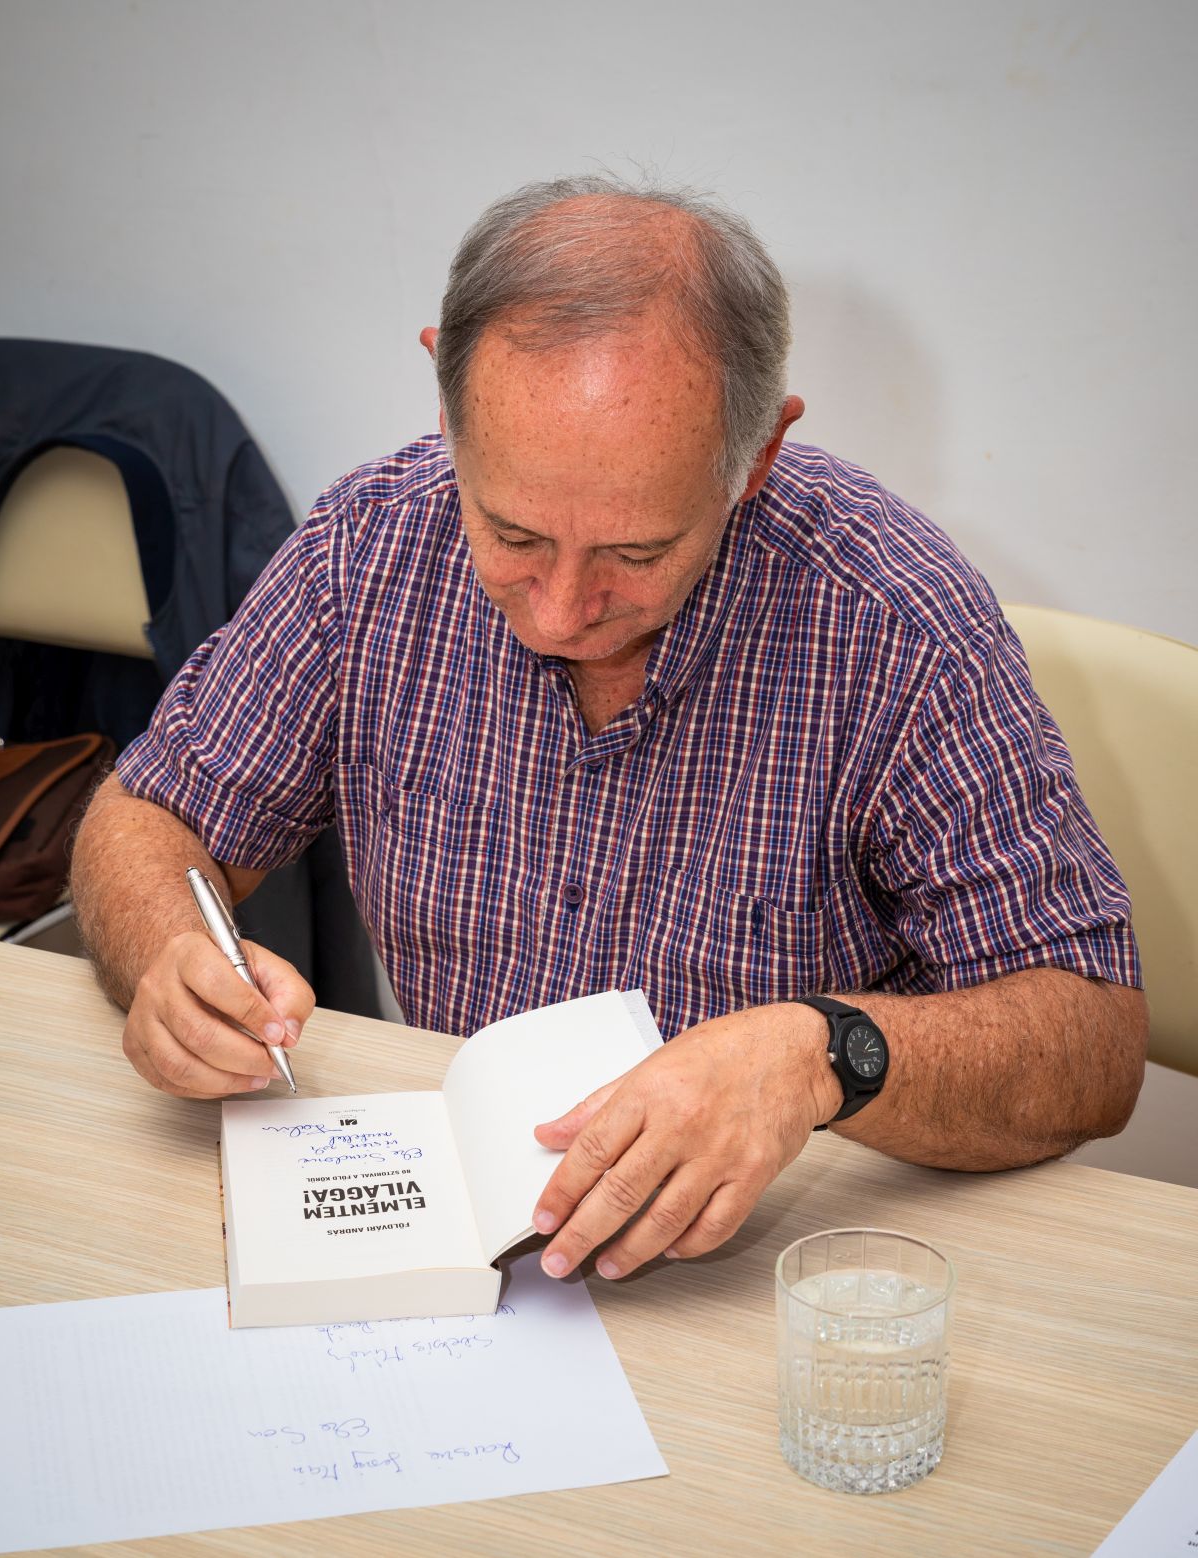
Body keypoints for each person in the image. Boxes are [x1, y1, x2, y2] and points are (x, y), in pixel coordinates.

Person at [71, 176, 1147, 1288]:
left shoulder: (893, 624)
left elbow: (1093, 1038)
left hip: (788, 1255)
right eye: (513, 534)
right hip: (476, 1253)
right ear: (448, 402)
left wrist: (821, 1053)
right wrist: (172, 956)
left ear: (757, 456)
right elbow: (150, 815)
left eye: (636, 554)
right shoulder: (371, 548)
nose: (558, 613)